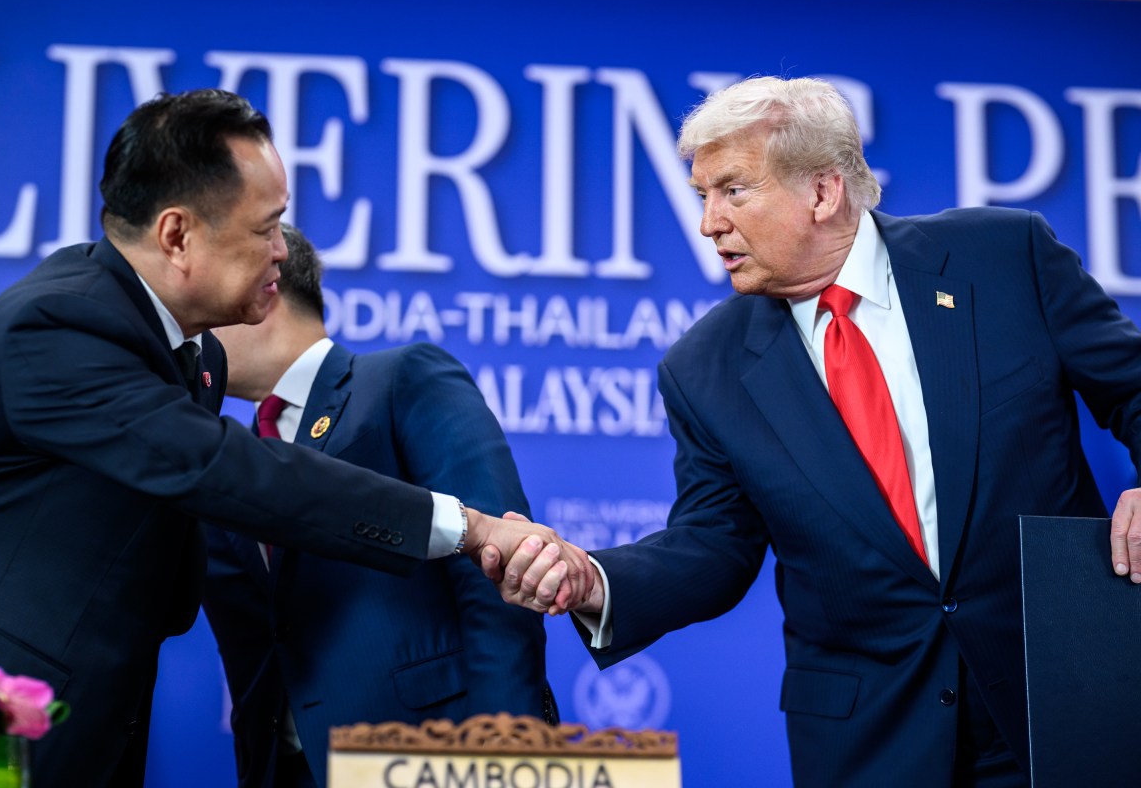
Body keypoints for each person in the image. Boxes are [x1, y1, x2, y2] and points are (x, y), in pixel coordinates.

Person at [483, 76, 1141, 787]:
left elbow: (1131, 386)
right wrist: (593, 579)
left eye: (732, 191)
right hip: (874, 741)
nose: (708, 223)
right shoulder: (704, 368)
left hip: (1067, 696)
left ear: (823, 192)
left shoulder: (1003, 257)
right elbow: (713, 545)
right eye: (702, 195)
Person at [0, 89, 582, 788]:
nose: (284, 250)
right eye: (266, 227)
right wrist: (470, 526)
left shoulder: (187, 354)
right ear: (177, 235)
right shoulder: (61, 322)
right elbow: (231, 470)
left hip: (88, 725)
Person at [201, 224, 556, 788]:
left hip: (431, 756)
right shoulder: (225, 459)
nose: (192, 332)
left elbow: (497, 572)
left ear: (264, 288)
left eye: (202, 306)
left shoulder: (399, 380)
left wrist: (504, 757)